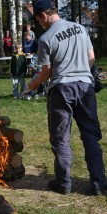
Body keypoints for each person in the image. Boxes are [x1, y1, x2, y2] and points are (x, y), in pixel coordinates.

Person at [29, 0, 106, 195]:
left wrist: (34, 84)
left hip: (62, 89)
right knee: (90, 137)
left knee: (61, 137)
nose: (39, 24)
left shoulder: (46, 38)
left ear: (43, 15)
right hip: (85, 87)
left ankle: (64, 183)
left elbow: (46, 72)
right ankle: (98, 184)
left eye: (38, 20)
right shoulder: (80, 28)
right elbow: (91, 59)